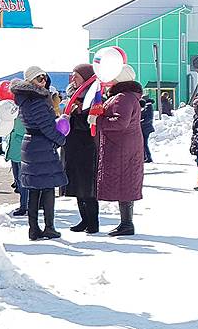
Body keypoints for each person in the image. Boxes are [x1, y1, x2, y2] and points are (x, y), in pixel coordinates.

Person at [11, 66, 68, 240]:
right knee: (48, 187)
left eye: (44, 77)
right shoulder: (36, 100)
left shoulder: (26, 99)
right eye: (39, 78)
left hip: (31, 145)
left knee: (34, 189)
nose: (43, 81)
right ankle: (49, 227)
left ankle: (34, 229)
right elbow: (46, 127)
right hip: (41, 146)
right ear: (30, 81)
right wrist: (61, 139)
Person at [96, 65, 144, 237]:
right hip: (126, 145)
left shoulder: (122, 97)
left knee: (125, 182)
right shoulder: (128, 96)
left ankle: (126, 224)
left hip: (121, 146)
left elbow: (119, 122)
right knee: (127, 182)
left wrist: (98, 121)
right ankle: (126, 223)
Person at [63, 64, 100, 233]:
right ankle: (83, 219)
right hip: (73, 146)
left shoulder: (94, 96)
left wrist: (72, 117)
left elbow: (90, 123)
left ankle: (92, 222)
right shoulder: (72, 94)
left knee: (87, 187)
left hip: (87, 147)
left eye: (76, 76)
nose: (73, 79)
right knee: (77, 186)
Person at [5, 88, 29, 217]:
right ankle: (24, 204)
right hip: (16, 148)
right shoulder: (15, 109)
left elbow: (21, 130)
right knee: (19, 180)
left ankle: (25, 206)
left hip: (21, 148)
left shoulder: (24, 111)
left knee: (22, 180)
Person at [140, 95, 155, 163]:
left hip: (146, 128)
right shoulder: (147, 107)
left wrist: (140, 122)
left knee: (144, 143)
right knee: (143, 143)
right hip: (145, 128)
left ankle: (148, 157)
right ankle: (145, 157)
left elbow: (148, 118)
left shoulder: (148, 107)